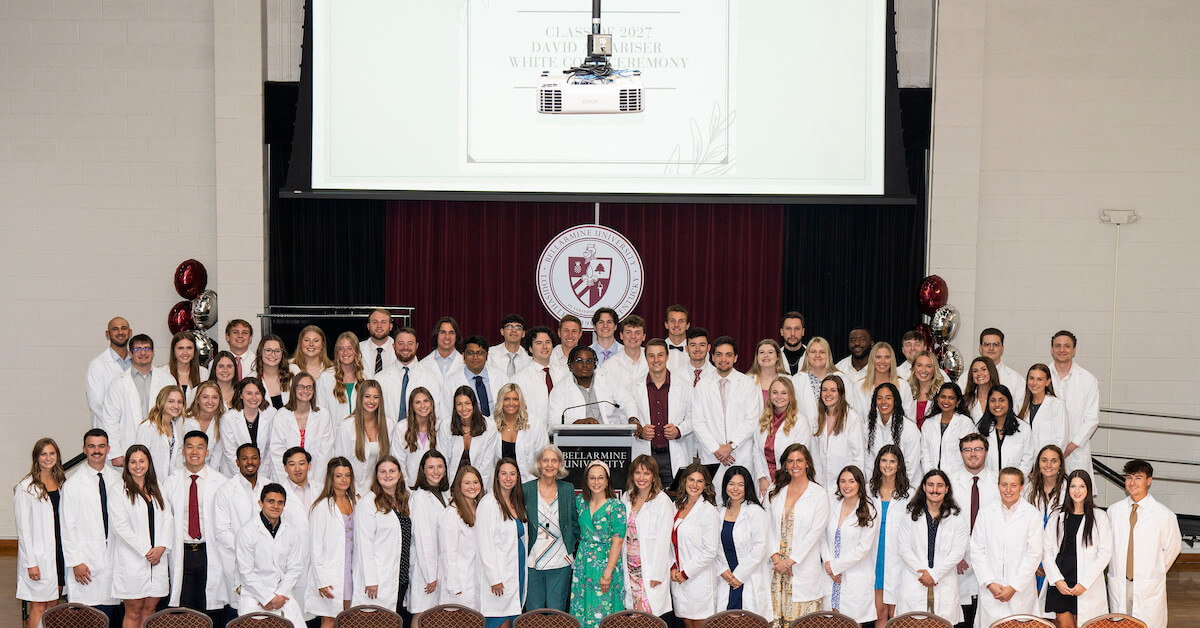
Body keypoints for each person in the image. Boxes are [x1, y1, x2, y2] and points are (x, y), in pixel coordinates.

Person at [164, 430, 230, 625]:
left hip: (209, 551)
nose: (195, 451)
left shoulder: (221, 483)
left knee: (210, 608)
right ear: (182, 452)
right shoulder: (171, 482)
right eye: (190, 447)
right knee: (185, 611)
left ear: (207, 452)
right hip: (182, 551)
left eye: (200, 447)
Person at [1107, 459, 1181, 628]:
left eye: (1138, 477)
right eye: (1129, 477)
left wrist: (1153, 572)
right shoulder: (1113, 511)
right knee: (1120, 624)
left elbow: (1173, 549)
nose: (1132, 483)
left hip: (1149, 585)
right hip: (1119, 582)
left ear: (1149, 480)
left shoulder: (1164, 515)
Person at [969, 467, 1044, 626]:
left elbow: (1034, 554)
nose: (1008, 490)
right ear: (998, 486)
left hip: (1020, 592)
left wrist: (1014, 587)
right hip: (992, 591)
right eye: (1004, 485)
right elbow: (976, 550)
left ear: (1022, 487)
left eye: (1013, 485)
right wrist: (990, 583)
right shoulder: (986, 512)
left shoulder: (1032, 515)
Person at [109, 444, 174, 628]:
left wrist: (161, 548)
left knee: (150, 611)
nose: (138, 466)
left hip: (157, 560)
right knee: (134, 611)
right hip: (134, 559)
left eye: (142, 461)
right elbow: (120, 527)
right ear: (127, 465)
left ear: (149, 463)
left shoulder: (157, 487)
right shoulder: (118, 490)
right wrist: (147, 551)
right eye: (133, 462)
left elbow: (168, 518)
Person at [895, 469, 970, 623]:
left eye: (939, 486)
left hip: (944, 580)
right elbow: (904, 548)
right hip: (915, 579)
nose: (935, 490)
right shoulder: (910, 514)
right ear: (923, 487)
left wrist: (934, 575)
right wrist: (924, 574)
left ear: (947, 489)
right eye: (930, 485)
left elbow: (958, 552)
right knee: (913, 623)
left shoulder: (956, 517)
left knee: (942, 623)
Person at [61, 429, 122, 614]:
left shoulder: (119, 480)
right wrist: (75, 562)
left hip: (113, 557)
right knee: (87, 616)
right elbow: (66, 527)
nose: (97, 450)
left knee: (112, 614)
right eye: (92, 446)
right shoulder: (72, 485)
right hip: (85, 562)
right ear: (84, 449)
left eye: (101, 446)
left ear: (108, 448)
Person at [767, 444, 828, 628]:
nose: (795, 465)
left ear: (807, 464)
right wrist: (777, 559)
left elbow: (815, 533)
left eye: (799, 460)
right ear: (785, 465)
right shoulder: (775, 490)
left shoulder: (819, 494)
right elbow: (766, 527)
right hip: (777, 571)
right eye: (790, 461)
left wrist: (790, 562)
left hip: (801, 569)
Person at [1044, 471, 1112, 627]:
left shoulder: (1099, 517)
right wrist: (1057, 580)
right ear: (1068, 490)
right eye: (1073, 486)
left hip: (1086, 580)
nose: (1077, 491)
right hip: (1061, 579)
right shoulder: (1057, 515)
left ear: (1089, 489)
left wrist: (1084, 583)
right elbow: (1046, 552)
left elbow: (1105, 554)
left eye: (1082, 486)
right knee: (1065, 623)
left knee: (1087, 623)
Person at [626, 339, 695, 489]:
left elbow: (693, 418)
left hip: (673, 455)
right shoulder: (634, 387)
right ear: (645, 358)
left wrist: (679, 430)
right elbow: (625, 419)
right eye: (651, 356)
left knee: (676, 501)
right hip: (646, 455)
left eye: (660, 355)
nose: (656, 360)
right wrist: (639, 430)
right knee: (645, 501)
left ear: (667, 356)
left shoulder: (684, 386)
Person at [691, 336, 759, 486]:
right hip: (712, 455)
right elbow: (697, 422)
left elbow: (752, 420)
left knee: (740, 496)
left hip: (740, 454)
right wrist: (717, 449)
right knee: (713, 498)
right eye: (719, 354)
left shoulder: (747, 384)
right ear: (713, 357)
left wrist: (730, 446)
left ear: (735, 358)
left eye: (728, 355)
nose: (723, 359)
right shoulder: (702, 385)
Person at [234, 483, 308, 619]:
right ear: (260, 503)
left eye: (280, 502)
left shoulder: (291, 531)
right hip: (254, 596)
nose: (276, 506)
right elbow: (246, 572)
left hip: (283, 596)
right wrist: (267, 598)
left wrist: (278, 597)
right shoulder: (246, 532)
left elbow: (295, 568)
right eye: (271, 501)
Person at [14, 438, 67, 628]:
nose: (48, 458)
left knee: (53, 603)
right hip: (39, 557)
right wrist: (31, 563)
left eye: (52, 453)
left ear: (57, 456)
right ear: (36, 457)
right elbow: (24, 531)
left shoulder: (61, 483)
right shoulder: (26, 487)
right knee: (39, 605)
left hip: (58, 553)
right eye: (43, 454)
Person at [353, 456, 414, 619]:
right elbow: (365, 544)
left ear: (399, 474)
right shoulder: (368, 503)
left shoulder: (405, 501)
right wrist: (371, 579)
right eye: (383, 471)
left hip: (401, 575)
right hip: (379, 577)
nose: (388, 475)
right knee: (374, 621)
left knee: (394, 620)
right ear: (377, 475)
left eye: (392, 471)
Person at [949, 433, 999, 628]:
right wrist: (955, 555)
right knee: (961, 619)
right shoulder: (950, 483)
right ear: (961, 453)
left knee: (986, 618)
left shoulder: (998, 483)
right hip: (958, 561)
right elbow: (945, 522)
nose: (972, 454)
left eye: (978, 449)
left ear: (986, 452)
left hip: (989, 560)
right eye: (967, 450)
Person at [570, 460, 627, 628]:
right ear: (586, 481)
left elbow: (617, 542)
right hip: (583, 565)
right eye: (592, 478)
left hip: (605, 565)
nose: (596, 482)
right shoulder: (580, 502)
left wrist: (607, 573)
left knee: (604, 611)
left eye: (601, 478)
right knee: (583, 610)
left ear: (607, 480)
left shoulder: (616, 506)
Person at [100, 334, 172, 467]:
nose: (143, 353)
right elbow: (110, 420)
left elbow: (174, 416)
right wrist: (115, 453)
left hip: (159, 447)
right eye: (138, 349)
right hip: (128, 448)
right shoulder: (117, 384)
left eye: (147, 348)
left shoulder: (167, 380)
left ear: (153, 352)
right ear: (130, 354)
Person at [523, 445, 579, 611]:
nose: (549, 465)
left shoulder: (567, 489)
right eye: (545, 460)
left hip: (560, 559)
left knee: (557, 611)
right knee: (534, 611)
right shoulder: (526, 489)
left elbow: (574, 522)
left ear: (560, 464)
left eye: (554, 461)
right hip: (532, 560)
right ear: (539, 463)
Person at [212, 443, 265, 616]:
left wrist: (263, 551)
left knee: (264, 611)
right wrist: (247, 551)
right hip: (235, 560)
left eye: (254, 457)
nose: (250, 462)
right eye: (244, 458)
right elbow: (222, 531)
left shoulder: (270, 487)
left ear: (260, 460)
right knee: (239, 611)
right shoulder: (225, 491)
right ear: (237, 462)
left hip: (266, 562)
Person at [821, 465, 878, 625]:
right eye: (843, 481)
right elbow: (822, 537)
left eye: (851, 481)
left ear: (860, 483)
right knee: (832, 619)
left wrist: (836, 567)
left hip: (855, 576)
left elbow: (863, 549)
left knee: (853, 621)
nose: (847, 486)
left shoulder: (869, 511)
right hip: (830, 575)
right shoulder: (832, 506)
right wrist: (828, 564)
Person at [477, 458, 530, 628]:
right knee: (496, 618)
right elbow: (484, 544)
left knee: (510, 616)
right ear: (497, 477)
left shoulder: (517, 502)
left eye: (512, 474)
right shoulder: (488, 504)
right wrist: (494, 578)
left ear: (518, 477)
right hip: (499, 573)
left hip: (516, 568)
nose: (508, 478)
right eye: (504, 473)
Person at [620, 455, 674, 617]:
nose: (641, 478)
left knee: (648, 616)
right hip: (629, 568)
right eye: (637, 473)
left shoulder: (662, 501)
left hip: (650, 569)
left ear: (653, 476)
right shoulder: (627, 497)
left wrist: (657, 573)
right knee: (633, 615)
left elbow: (664, 541)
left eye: (646, 473)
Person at [715, 465, 772, 617]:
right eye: (731, 484)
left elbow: (760, 548)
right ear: (725, 485)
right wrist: (722, 570)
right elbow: (712, 548)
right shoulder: (718, 512)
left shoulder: (755, 512)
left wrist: (739, 576)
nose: (735, 489)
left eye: (741, 485)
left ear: (747, 487)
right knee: (724, 621)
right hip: (725, 578)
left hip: (748, 577)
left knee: (749, 620)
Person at [670, 463, 721, 628]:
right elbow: (669, 542)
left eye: (700, 481)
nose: (694, 485)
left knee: (700, 623)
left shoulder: (709, 511)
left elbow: (710, 551)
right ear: (684, 481)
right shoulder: (675, 507)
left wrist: (685, 573)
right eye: (691, 479)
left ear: (705, 485)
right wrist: (672, 567)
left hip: (699, 578)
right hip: (678, 578)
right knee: (687, 623)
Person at [308, 457, 357, 627]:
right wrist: (321, 580)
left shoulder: (354, 502)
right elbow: (315, 546)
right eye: (338, 476)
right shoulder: (322, 506)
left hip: (350, 569)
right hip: (331, 571)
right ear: (331, 478)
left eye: (347, 475)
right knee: (329, 618)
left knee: (348, 615)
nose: (344, 480)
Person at [870, 445, 912, 625]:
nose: (887, 465)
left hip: (898, 557)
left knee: (896, 615)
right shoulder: (868, 491)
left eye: (892, 461)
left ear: (899, 465)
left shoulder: (911, 494)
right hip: (874, 555)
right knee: (879, 612)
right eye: (884, 460)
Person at [1049, 331, 1100, 478]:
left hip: (1076, 451)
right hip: (1047, 450)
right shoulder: (1041, 376)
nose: (1062, 350)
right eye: (1057, 346)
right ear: (1052, 349)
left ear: (1074, 350)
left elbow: (1092, 419)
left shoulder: (1088, 379)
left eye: (1067, 346)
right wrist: (1053, 452)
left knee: (1077, 495)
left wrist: (1070, 447)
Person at [268, 371, 334, 485]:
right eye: (301, 387)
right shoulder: (281, 416)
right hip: (285, 479)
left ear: (314, 391)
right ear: (294, 389)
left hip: (315, 479)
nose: (305, 391)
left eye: (309, 387)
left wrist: (314, 482)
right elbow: (277, 451)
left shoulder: (323, 415)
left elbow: (325, 453)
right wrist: (290, 481)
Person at [753, 376, 812, 497]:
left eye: (784, 393)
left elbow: (800, 457)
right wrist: (762, 477)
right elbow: (756, 451)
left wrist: (781, 481)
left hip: (789, 480)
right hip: (764, 482)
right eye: (775, 393)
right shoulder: (763, 419)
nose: (779, 397)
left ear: (791, 396)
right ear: (770, 395)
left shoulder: (800, 422)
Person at [334, 380, 395, 496]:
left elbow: (391, 461)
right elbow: (340, 464)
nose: (371, 401)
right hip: (352, 491)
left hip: (380, 491)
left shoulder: (389, 424)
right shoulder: (347, 426)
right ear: (360, 398)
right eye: (367, 396)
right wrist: (352, 492)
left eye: (376, 397)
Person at [409, 450, 450, 615]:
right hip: (424, 567)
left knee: (433, 616)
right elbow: (423, 538)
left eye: (440, 466)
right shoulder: (420, 498)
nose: (436, 471)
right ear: (423, 470)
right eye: (431, 467)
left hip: (439, 565)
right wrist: (429, 575)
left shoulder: (444, 495)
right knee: (421, 614)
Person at [381, 326, 448, 424]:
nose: (405, 348)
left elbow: (436, 412)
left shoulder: (430, 377)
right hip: (388, 436)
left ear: (416, 346)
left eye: (410, 343)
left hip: (420, 437)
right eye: (401, 343)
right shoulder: (380, 378)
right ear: (393, 346)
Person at [549, 345, 629, 426]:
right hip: (577, 436)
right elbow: (553, 421)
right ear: (570, 364)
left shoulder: (608, 380)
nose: (585, 365)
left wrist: (633, 419)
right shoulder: (560, 389)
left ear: (594, 365)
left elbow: (627, 401)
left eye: (589, 361)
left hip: (609, 434)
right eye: (579, 361)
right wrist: (576, 422)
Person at [441, 465, 485, 609]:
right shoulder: (451, 514)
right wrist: (454, 584)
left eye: (475, 482)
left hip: (476, 579)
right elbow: (448, 552)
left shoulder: (480, 508)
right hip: (459, 582)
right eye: (467, 483)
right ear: (459, 485)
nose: (472, 487)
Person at [810, 375, 865, 489]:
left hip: (847, 486)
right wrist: (819, 483)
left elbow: (858, 456)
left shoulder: (851, 417)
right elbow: (815, 456)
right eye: (824, 390)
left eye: (833, 390)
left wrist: (852, 484)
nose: (828, 394)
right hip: (823, 484)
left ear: (840, 394)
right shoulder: (818, 418)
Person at [865, 382, 922, 484]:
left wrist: (896, 487)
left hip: (906, 486)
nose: (883, 402)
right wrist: (876, 485)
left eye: (888, 398)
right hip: (876, 487)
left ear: (895, 401)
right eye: (879, 398)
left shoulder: (909, 428)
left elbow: (911, 465)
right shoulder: (868, 427)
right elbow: (868, 460)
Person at [218, 377, 275, 480]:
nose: (253, 398)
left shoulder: (271, 414)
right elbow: (230, 453)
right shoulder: (228, 418)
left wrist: (260, 478)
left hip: (263, 473)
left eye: (257, 393)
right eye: (249, 393)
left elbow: (269, 451)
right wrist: (245, 478)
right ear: (240, 395)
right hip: (233, 474)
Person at [511, 325, 568, 427]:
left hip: (562, 433)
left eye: (548, 342)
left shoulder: (564, 373)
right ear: (530, 349)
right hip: (533, 434)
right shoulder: (519, 378)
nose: (544, 347)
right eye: (539, 343)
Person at [957, 328, 1026, 410]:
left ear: (1002, 349)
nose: (991, 348)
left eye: (996, 345)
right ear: (980, 348)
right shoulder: (965, 378)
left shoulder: (1016, 379)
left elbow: (1021, 411)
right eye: (986, 344)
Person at [493, 383, 549, 481]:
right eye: (506, 399)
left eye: (515, 399)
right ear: (500, 401)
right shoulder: (490, 425)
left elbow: (544, 456)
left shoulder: (535, 424)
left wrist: (532, 482)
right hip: (499, 484)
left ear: (521, 402)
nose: (511, 403)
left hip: (529, 481)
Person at [445, 386, 500, 486]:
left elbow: (486, 465)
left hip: (477, 483)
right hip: (451, 483)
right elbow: (443, 460)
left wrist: (476, 489)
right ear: (454, 407)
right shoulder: (446, 425)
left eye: (467, 403)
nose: (464, 408)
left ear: (474, 404)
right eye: (459, 404)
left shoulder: (489, 427)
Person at [1018, 364, 1070, 471]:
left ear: (1047, 382)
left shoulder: (1056, 405)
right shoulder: (1021, 405)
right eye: (1031, 378)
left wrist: (1048, 463)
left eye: (1039, 379)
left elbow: (1061, 439)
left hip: (1048, 466)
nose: (1034, 383)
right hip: (1025, 465)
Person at [445, 335, 509, 419]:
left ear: (486, 355)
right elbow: (446, 414)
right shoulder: (451, 381)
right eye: (470, 353)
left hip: (498, 427)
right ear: (463, 356)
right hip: (465, 429)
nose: (475, 357)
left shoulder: (501, 376)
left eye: (480, 353)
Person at [919, 383, 976, 475]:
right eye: (943, 397)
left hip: (958, 478)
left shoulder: (965, 423)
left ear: (958, 402)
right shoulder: (928, 423)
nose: (946, 401)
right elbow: (924, 453)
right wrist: (931, 474)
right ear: (937, 399)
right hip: (932, 477)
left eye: (951, 398)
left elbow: (968, 454)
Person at [86, 317, 133, 430]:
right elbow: (97, 404)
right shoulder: (97, 365)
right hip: (108, 430)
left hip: (133, 429)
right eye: (115, 329)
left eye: (124, 328)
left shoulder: (137, 363)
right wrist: (121, 424)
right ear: (108, 334)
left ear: (130, 332)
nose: (120, 332)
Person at [134, 386, 185, 481]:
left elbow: (177, 461)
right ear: (162, 402)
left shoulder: (175, 427)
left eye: (180, 402)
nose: (176, 406)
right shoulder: (148, 427)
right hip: (149, 483)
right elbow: (139, 458)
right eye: (171, 401)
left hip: (169, 484)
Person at [391, 386, 440, 483]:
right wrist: (407, 489)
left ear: (431, 403)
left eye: (426, 401)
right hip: (410, 486)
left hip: (436, 485)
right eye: (418, 402)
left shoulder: (440, 426)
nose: (423, 405)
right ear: (412, 406)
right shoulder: (401, 428)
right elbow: (398, 462)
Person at [854, 341, 914, 419]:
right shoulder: (859, 387)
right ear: (872, 359)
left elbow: (909, 417)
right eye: (878, 357)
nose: (882, 361)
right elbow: (857, 419)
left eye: (887, 357)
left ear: (892, 360)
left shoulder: (903, 385)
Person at [978, 386, 1032, 473]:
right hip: (989, 483)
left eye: (1002, 400)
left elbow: (1027, 460)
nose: (997, 404)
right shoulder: (980, 428)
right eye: (993, 400)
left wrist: (1015, 480)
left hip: (1015, 483)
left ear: (1009, 402)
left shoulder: (1023, 428)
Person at [317, 331, 364, 421]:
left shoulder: (366, 377)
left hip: (360, 433)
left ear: (356, 351)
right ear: (337, 352)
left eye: (350, 348)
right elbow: (320, 412)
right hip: (334, 433)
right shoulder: (326, 377)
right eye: (341, 349)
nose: (345, 352)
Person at [793, 337, 848, 412]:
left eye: (822, 352)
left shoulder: (842, 379)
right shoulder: (796, 381)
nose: (817, 355)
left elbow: (851, 409)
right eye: (813, 352)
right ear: (807, 356)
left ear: (828, 355)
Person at [181, 381, 225, 471]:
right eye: (205, 397)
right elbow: (178, 453)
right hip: (184, 469)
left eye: (215, 397)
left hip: (209, 471)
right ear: (198, 399)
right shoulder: (184, 421)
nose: (210, 401)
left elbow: (217, 456)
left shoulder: (222, 422)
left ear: (220, 400)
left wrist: (209, 478)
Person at [598, 314, 649, 390]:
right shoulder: (609, 366)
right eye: (628, 332)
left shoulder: (653, 360)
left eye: (637, 333)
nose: (633, 337)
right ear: (621, 335)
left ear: (644, 336)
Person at [169, 331, 209, 404]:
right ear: (173, 351)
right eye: (180, 348)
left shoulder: (203, 373)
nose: (185, 352)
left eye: (189, 348)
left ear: (194, 350)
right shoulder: (163, 373)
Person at [907, 350, 944, 429]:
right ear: (913, 368)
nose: (923, 370)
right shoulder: (907, 391)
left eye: (928, 366)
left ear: (934, 370)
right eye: (919, 365)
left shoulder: (942, 392)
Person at [280, 447, 316, 529]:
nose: (297, 469)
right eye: (292, 464)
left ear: (309, 465)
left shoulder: (321, 489)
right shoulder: (279, 493)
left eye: (301, 463)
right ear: (285, 468)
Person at [254, 334, 292, 409]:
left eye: (277, 351)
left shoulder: (292, 374)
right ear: (260, 352)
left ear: (282, 353)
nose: (273, 354)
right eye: (268, 350)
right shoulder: (252, 378)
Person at [421, 316, 464, 381]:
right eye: (443, 332)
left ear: (456, 337)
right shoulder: (423, 365)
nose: (447, 336)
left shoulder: (465, 364)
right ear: (436, 335)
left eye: (451, 333)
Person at [747, 339, 789, 403]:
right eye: (762, 352)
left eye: (770, 352)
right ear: (757, 357)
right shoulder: (747, 380)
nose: (765, 355)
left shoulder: (788, 380)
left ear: (778, 357)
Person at [360, 309, 395, 376]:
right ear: (368, 326)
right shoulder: (357, 349)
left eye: (383, 322)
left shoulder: (400, 349)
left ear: (390, 327)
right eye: (375, 322)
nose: (379, 326)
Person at [664, 305, 692, 372]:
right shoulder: (657, 349)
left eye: (681, 321)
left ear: (687, 325)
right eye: (672, 321)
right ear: (666, 324)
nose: (676, 325)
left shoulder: (696, 350)